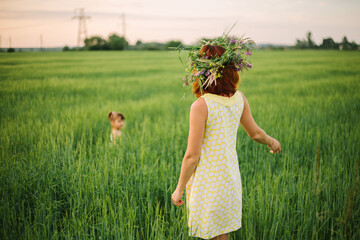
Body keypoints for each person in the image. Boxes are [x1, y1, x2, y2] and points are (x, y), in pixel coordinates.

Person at [171, 36, 281, 240]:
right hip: (229, 183)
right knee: (222, 237)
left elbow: (192, 156)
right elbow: (255, 133)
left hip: (208, 185)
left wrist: (178, 190)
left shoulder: (201, 106)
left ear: (202, 72)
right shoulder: (239, 99)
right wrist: (272, 141)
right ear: (230, 70)